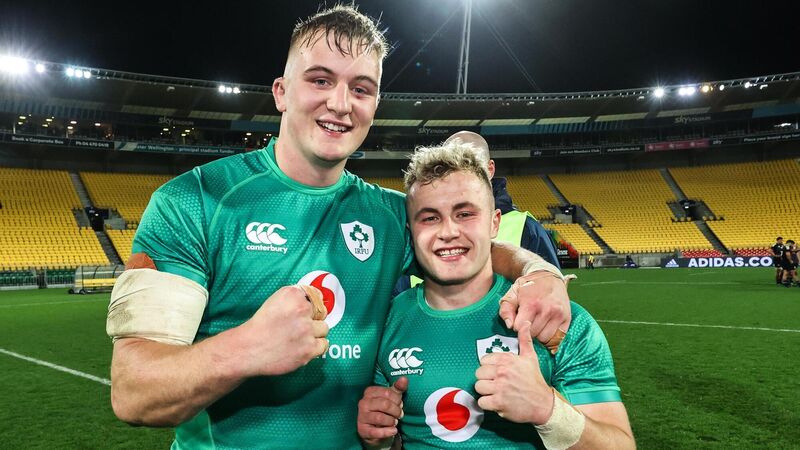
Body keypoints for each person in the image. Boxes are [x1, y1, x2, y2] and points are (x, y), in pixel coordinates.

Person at [106, 5, 573, 449]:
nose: (340, 103)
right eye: (320, 80)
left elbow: (473, 249)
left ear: (375, 104)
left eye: (361, 89)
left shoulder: (391, 215)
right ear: (281, 92)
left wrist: (540, 273)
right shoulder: (193, 201)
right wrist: (246, 348)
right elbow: (134, 392)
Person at [357, 142, 634, 449]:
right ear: (411, 231)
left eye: (465, 214)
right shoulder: (387, 322)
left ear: (494, 223)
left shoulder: (555, 319)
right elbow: (393, 437)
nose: (448, 232)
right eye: (430, 218)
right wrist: (378, 438)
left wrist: (548, 410)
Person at [393, 131, 560, 295]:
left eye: (472, 162)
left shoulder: (527, 227)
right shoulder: (413, 229)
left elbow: (550, 291)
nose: (462, 169)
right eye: (452, 163)